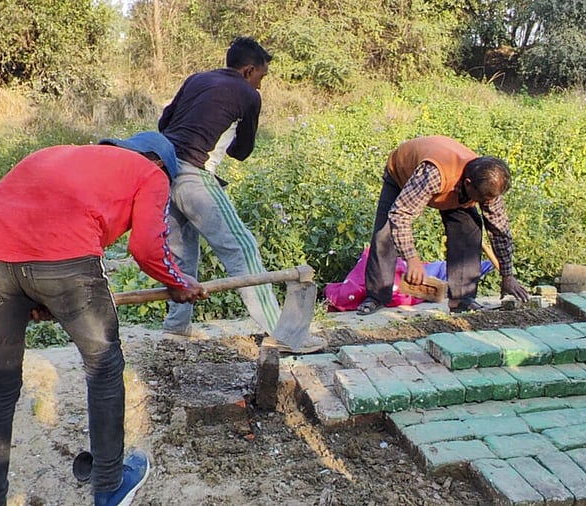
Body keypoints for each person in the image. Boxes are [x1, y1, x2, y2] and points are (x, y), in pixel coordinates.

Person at [0, 132, 207, 506]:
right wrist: (178, 282)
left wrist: (36, 292)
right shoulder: (151, 173)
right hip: (63, 256)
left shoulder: (54, 151)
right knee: (104, 366)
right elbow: (145, 248)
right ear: (160, 164)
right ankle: (110, 486)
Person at [158, 36, 325, 353]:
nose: (261, 85)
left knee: (181, 253)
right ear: (249, 70)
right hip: (195, 174)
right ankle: (284, 334)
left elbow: (165, 121)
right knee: (243, 248)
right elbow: (243, 151)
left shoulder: (197, 79)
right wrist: (228, 135)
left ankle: (177, 327)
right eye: (262, 77)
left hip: (163, 173)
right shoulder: (247, 94)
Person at [357, 135, 529, 315]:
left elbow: (500, 231)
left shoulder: (487, 184)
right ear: (468, 184)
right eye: (483, 199)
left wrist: (507, 275)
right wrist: (412, 260)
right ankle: (376, 295)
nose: (487, 203)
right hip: (402, 175)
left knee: (469, 230)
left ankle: (462, 299)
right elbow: (400, 215)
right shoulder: (433, 174)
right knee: (385, 234)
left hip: (454, 186)